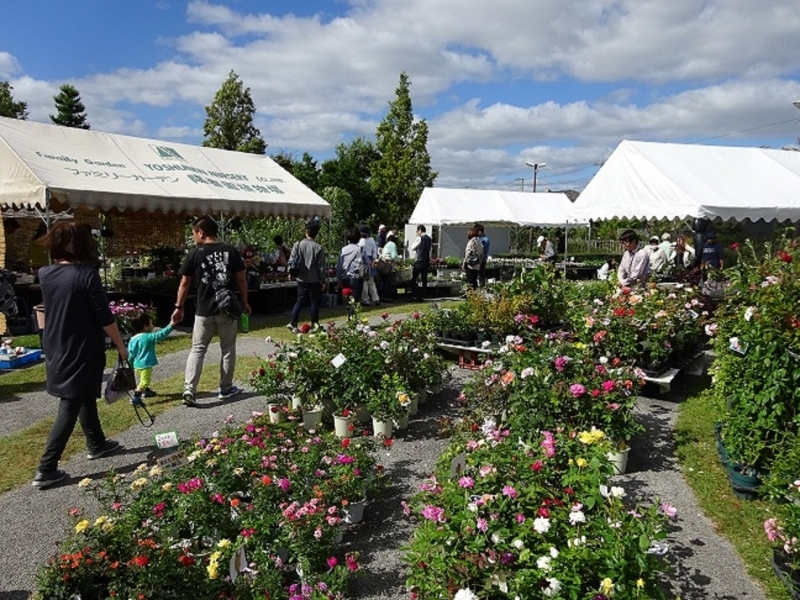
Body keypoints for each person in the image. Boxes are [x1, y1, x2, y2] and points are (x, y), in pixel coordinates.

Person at [32, 221, 126, 489]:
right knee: (71, 401)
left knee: (84, 393)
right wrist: (120, 345)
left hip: (56, 343)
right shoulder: (86, 274)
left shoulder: (46, 274)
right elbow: (104, 316)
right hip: (82, 344)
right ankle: (46, 468)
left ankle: (96, 443)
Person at [174, 216, 250, 407]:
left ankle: (189, 389)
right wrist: (245, 302)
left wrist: (179, 307)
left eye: (193, 233)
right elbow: (241, 279)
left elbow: (185, 282)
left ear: (201, 232)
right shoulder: (230, 250)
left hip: (203, 310)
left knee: (198, 349)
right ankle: (225, 388)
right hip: (227, 309)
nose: (193, 237)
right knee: (228, 349)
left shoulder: (194, 253)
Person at [128, 312, 179, 405]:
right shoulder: (148, 337)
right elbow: (161, 334)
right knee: (144, 381)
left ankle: (146, 391)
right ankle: (136, 397)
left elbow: (131, 353)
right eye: (151, 323)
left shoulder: (133, 339)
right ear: (145, 326)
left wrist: (130, 364)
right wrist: (171, 324)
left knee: (142, 378)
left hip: (136, 365)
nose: (153, 325)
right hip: (145, 364)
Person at [286, 219, 326, 333]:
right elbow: (321, 267)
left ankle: (293, 322)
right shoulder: (318, 248)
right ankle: (315, 324)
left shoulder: (298, 244)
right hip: (313, 279)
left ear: (306, 231)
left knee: (300, 301)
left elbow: (291, 260)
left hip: (301, 278)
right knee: (314, 302)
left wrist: (290, 273)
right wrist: (322, 281)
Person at [336, 228, 365, 306]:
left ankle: (350, 315)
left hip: (345, 277)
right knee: (355, 301)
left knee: (349, 299)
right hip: (356, 277)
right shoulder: (360, 249)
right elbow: (366, 263)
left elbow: (339, 266)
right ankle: (352, 317)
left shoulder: (343, 250)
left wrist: (339, 279)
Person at [358, 225, 380, 306]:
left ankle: (365, 299)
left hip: (364, 260)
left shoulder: (361, 241)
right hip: (371, 259)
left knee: (365, 281)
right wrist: (374, 260)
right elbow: (375, 250)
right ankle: (376, 298)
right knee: (371, 281)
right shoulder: (372, 240)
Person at [409, 224, 432, 301]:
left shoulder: (420, 238)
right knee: (424, 278)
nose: (416, 233)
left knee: (414, 278)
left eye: (417, 231)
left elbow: (412, 247)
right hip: (426, 260)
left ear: (420, 230)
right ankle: (423, 293)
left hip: (419, 260)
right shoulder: (429, 238)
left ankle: (414, 293)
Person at [379, 232, 399, 302]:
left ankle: (381, 296)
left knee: (383, 281)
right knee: (388, 281)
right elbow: (394, 256)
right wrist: (398, 260)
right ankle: (387, 297)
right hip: (388, 264)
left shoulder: (387, 244)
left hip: (383, 264)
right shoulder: (393, 244)